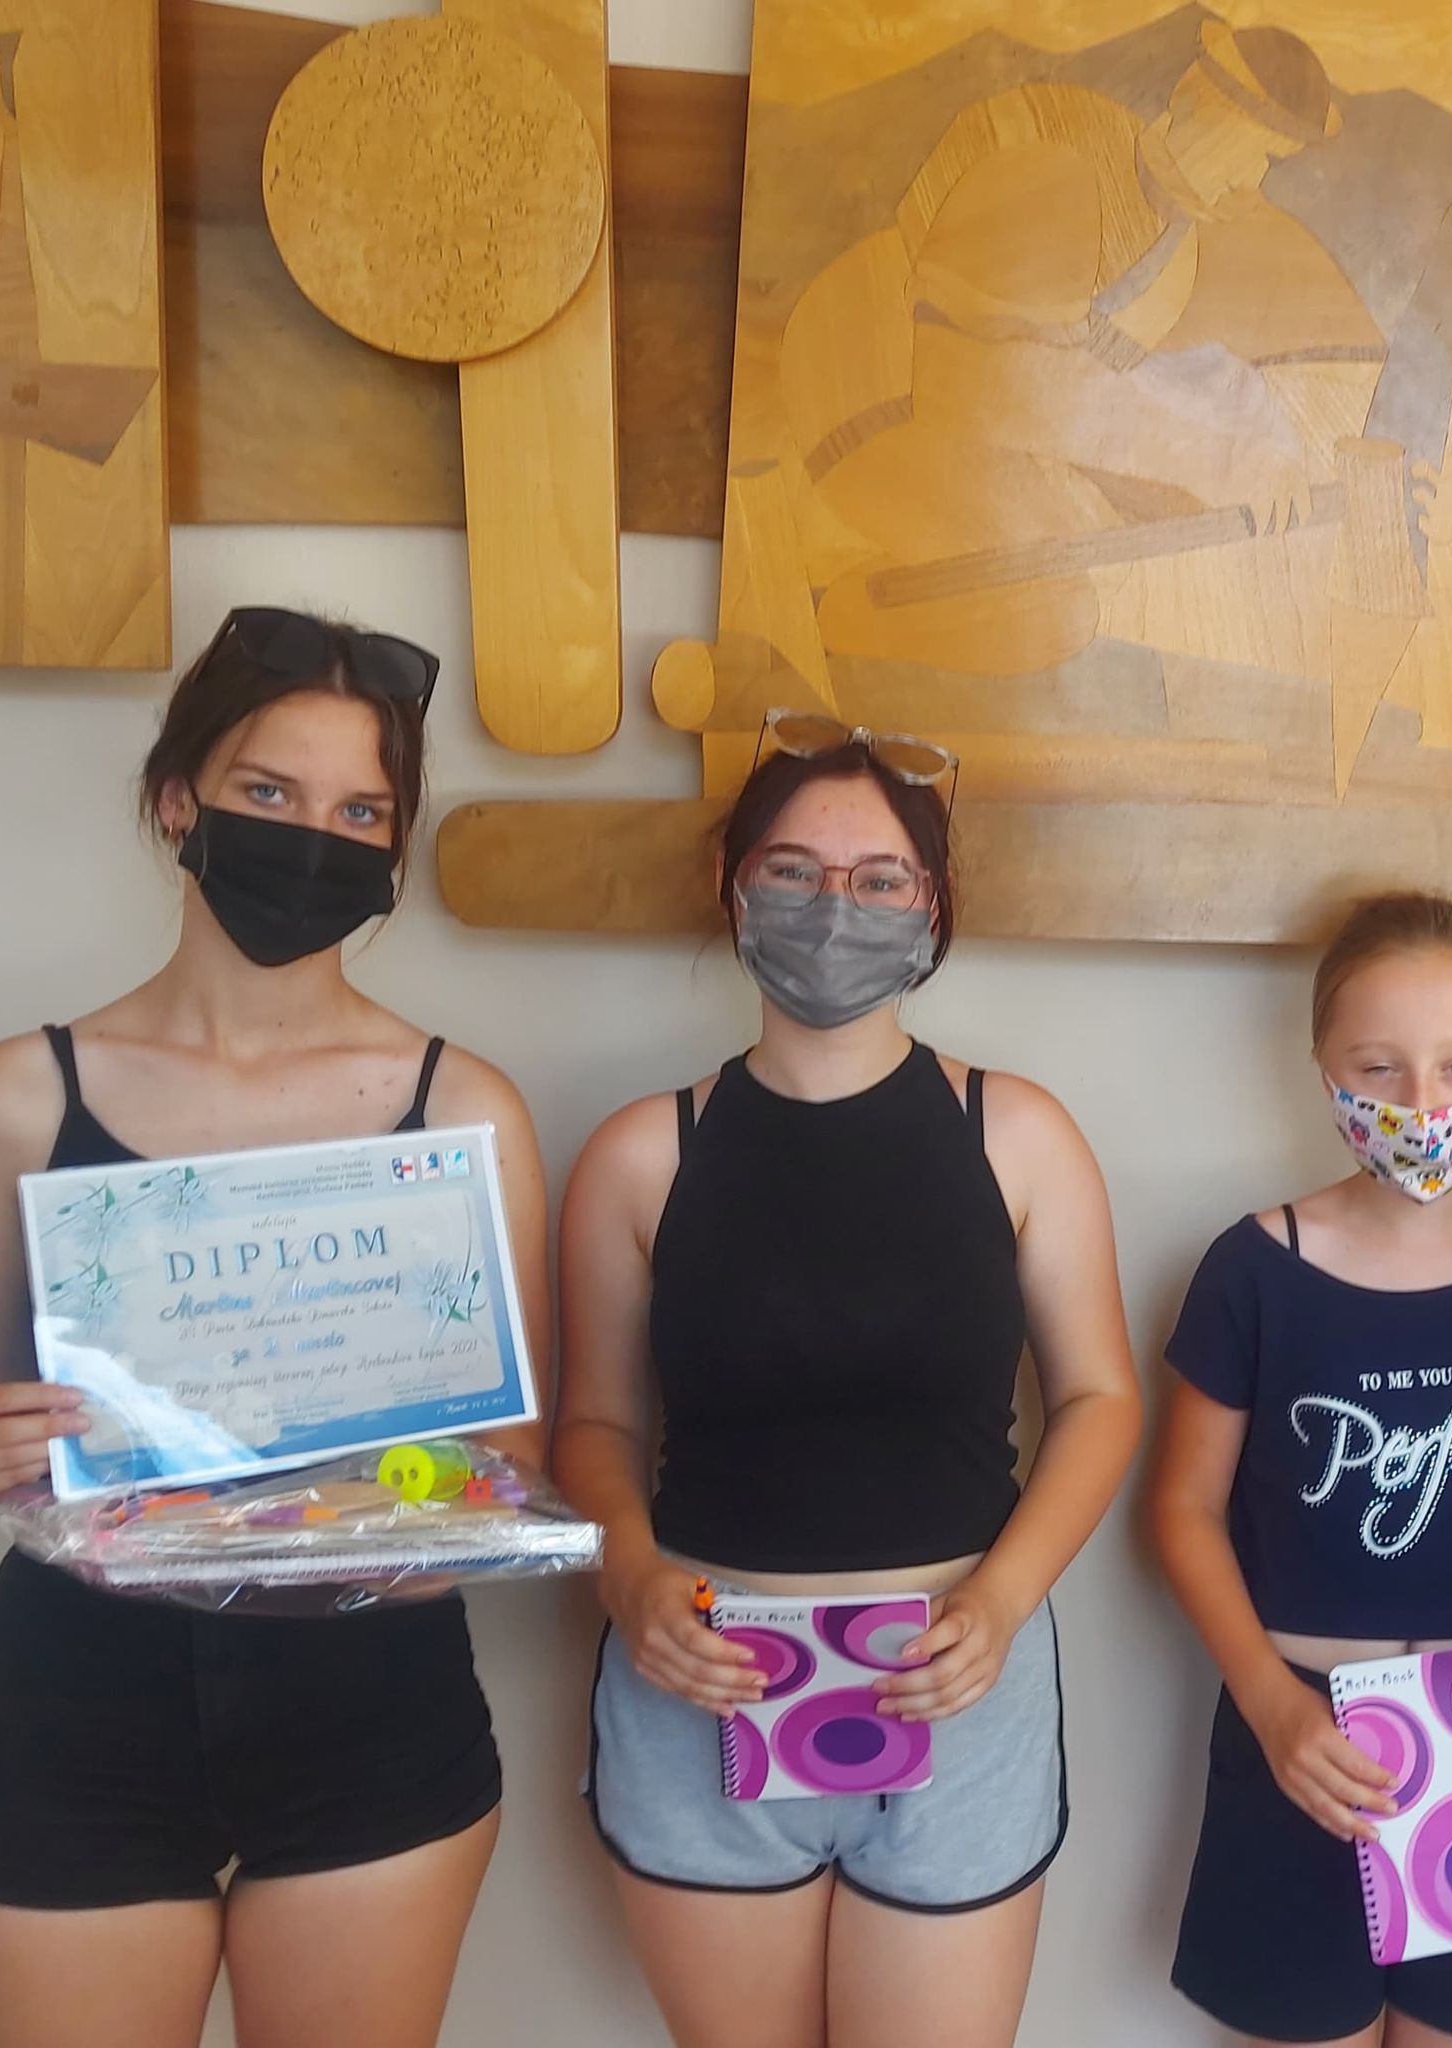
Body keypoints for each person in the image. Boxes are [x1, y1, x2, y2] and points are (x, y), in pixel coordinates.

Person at [0, 607, 547, 2048]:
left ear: (394, 846)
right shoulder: (19, 1096)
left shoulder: (465, 1112)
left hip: (373, 1708)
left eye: (360, 810)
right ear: (175, 799)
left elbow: (507, 1466)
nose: (314, 836)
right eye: (269, 790)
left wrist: (428, 1501)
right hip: (80, 1700)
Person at [550, 713, 1144, 2048]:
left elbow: (1100, 1401)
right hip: (703, 1679)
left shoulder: (1020, 1135)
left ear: (931, 905)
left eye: (879, 878)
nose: (835, 906)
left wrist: (1003, 1598)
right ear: (733, 888)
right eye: (793, 871)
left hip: (958, 1677)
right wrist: (630, 1576)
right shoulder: (640, 1154)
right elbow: (593, 1423)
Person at [1147, 892, 1452, 2047]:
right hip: (1302, 1748)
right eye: (1379, 1065)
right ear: (1324, 1066)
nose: (1423, 1101)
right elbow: (1180, 1508)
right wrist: (1271, 1706)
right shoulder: (1251, 1269)